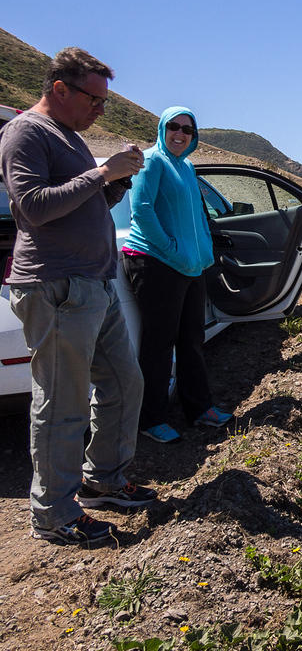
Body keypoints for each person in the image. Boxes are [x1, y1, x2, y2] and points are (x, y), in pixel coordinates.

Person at [0, 47, 157, 546]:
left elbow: (80, 201)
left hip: (94, 282)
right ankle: (53, 514)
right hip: (57, 285)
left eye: (105, 102)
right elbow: (33, 207)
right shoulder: (25, 132)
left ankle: (103, 481)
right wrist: (101, 174)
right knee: (62, 402)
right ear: (60, 89)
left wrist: (116, 183)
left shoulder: (68, 136)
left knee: (125, 383)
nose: (100, 110)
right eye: (94, 99)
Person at [122, 107, 232, 444]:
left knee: (191, 339)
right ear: (162, 128)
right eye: (173, 127)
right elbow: (140, 210)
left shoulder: (185, 166)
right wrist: (173, 249)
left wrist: (203, 252)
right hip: (156, 263)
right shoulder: (152, 161)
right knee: (159, 343)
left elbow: (195, 214)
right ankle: (150, 419)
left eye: (187, 129)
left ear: (194, 135)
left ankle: (199, 409)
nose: (180, 134)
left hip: (189, 266)